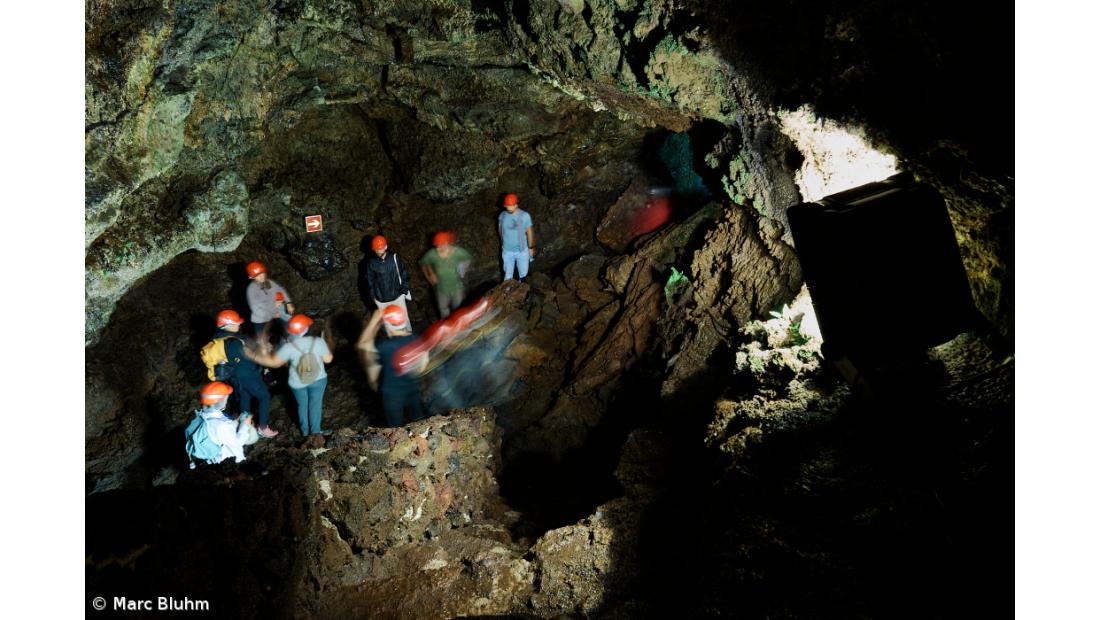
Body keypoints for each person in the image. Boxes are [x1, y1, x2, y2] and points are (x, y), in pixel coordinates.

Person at [251, 314, 334, 442]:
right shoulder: (318, 341)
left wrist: (255, 354)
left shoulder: (288, 347)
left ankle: (306, 433)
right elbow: (328, 359)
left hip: (297, 382)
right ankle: (316, 432)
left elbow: (274, 363)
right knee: (315, 404)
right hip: (318, 379)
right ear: (306, 328)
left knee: (302, 405)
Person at [212, 309, 279, 437]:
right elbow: (246, 358)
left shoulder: (218, 338)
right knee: (264, 396)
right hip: (247, 374)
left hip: (235, 377)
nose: (239, 324)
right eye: (236, 323)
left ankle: (246, 427)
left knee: (245, 398)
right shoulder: (233, 342)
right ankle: (263, 428)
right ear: (228, 325)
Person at [357, 305, 428, 427]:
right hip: (413, 389)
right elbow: (422, 367)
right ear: (404, 321)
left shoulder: (383, 347)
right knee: (420, 421)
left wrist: (374, 322)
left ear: (386, 325)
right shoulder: (417, 339)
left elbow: (362, 344)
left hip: (391, 393)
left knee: (394, 427)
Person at [193, 381, 255, 465]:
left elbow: (221, 427)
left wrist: (236, 422)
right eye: (226, 398)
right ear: (220, 401)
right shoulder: (221, 426)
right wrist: (245, 424)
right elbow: (238, 442)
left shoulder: (204, 413)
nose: (227, 400)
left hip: (217, 438)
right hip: (222, 457)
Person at [362, 235, 412, 333]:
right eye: (376, 249)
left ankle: (408, 338)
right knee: (388, 323)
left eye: (380, 248)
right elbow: (370, 281)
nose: (378, 250)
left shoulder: (394, 258)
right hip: (382, 299)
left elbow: (403, 274)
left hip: (397, 296)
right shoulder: (371, 263)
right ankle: (394, 343)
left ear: (385, 247)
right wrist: (374, 296)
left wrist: (404, 290)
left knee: (403, 320)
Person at [420, 231, 473, 319]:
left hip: (457, 288)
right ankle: (447, 327)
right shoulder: (432, 254)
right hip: (441, 289)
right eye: (437, 246)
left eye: (441, 245)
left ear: (448, 244)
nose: (438, 248)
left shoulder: (458, 252)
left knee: (459, 310)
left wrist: (463, 268)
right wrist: (430, 275)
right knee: (443, 310)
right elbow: (424, 263)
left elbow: (468, 258)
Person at [245, 260, 295, 340]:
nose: (261, 276)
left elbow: (280, 290)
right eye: (258, 275)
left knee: (289, 324)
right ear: (252, 277)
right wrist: (271, 314)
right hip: (261, 318)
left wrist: (288, 303)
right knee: (262, 341)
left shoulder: (269, 282)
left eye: (262, 273)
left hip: (275, 310)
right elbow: (256, 310)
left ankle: (290, 340)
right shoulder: (251, 290)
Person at [497, 192, 535, 281]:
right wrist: (503, 242)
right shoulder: (502, 215)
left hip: (521, 250)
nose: (508, 208)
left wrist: (530, 247)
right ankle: (506, 292)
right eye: (507, 206)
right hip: (507, 250)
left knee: (523, 274)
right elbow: (500, 229)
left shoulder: (524, 216)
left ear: (516, 204)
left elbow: (529, 232)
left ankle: (522, 291)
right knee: (507, 275)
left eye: (510, 206)